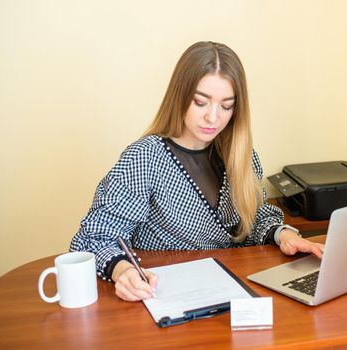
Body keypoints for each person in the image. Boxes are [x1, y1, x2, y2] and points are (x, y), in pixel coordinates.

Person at [70, 41, 324, 302]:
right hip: (164, 296)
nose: (213, 118)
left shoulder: (241, 156)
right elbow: (93, 239)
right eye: (201, 102)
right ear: (180, 96)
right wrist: (122, 271)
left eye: (226, 106)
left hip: (233, 291)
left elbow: (256, 219)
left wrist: (284, 235)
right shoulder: (145, 157)